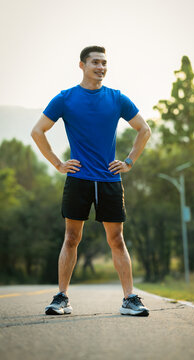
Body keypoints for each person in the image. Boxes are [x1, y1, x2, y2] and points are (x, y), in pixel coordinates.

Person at [31, 45, 151, 317]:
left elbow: (144, 129)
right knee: (71, 237)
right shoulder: (65, 99)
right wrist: (58, 164)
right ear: (82, 65)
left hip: (109, 179)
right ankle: (61, 297)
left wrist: (129, 161)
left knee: (117, 239)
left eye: (104, 63)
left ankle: (129, 299)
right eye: (95, 62)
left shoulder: (117, 98)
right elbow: (38, 131)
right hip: (78, 179)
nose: (101, 67)